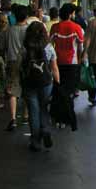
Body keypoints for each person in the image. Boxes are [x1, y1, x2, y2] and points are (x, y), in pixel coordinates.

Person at [21, 22, 59, 152]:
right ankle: (45, 130)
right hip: (46, 82)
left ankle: (35, 141)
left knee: (33, 111)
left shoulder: (25, 47)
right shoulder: (49, 47)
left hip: (29, 82)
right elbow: (54, 67)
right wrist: (57, 83)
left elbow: (20, 65)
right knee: (44, 108)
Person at [50, 3, 83, 131]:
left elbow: (49, 45)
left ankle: (59, 118)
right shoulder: (77, 27)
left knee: (59, 91)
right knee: (68, 92)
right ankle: (67, 118)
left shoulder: (54, 27)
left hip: (57, 64)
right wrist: (80, 60)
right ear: (70, 14)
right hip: (72, 64)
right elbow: (80, 47)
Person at [3, 5, 29, 131]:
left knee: (13, 90)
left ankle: (12, 118)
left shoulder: (9, 30)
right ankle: (25, 115)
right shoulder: (29, 30)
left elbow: (3, 46)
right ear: (26, 16)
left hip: (12, 61)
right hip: (26, 62)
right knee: (26, 88)